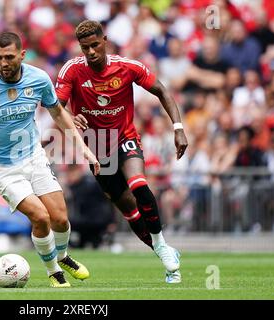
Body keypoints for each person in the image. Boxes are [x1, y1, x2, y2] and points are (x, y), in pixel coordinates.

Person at [0, 32, 100, 288]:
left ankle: (64, 256)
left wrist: (84, 148)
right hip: (1, 166)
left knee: (60, 218)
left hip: (32, 154)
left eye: (9, 57)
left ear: (22, 55)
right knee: (41, 217)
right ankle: (54, 271)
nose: (3, 62)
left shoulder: (38, 78)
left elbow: (58, 113)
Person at [55, 20, 188, 283]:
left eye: (95, 45)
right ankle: (163, 252)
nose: (91, 52)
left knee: (138, 185)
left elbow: (161, 90)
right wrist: (71, 115)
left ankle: (161, 243)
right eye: (85, 48)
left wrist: (178, 127)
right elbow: (55, 108)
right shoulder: (72, 70)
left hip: (125, 139)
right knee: (129, 209)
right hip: (96, 149)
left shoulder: (128, 67)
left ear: (105, 40)